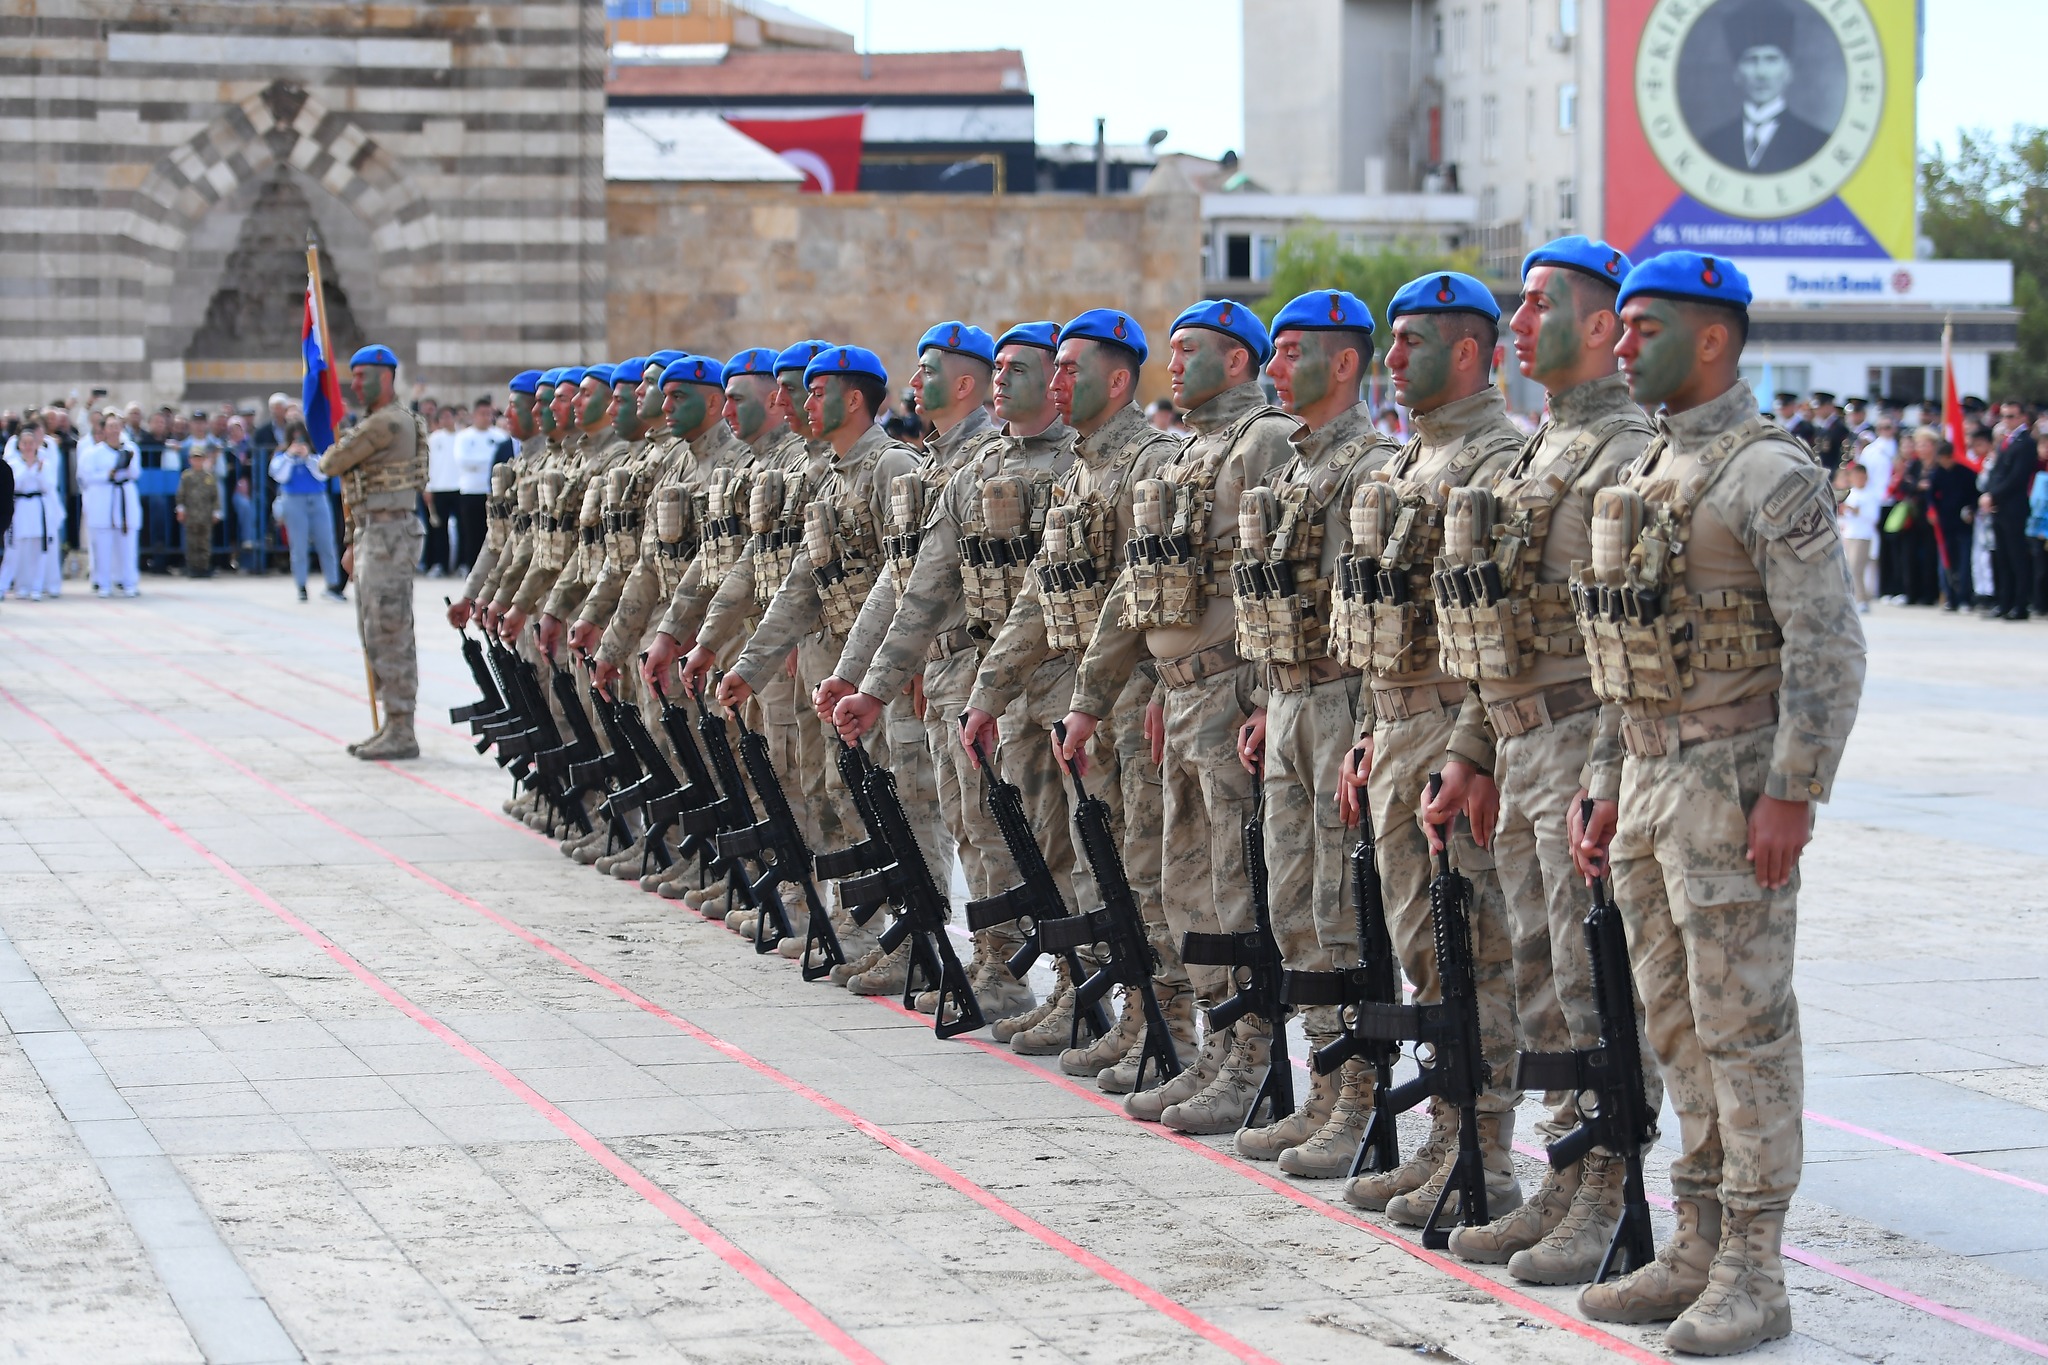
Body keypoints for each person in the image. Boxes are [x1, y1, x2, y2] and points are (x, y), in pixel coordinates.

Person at [1574, 251, 1865, 1354]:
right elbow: (1620, 649)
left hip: (1732, 786)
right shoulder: (1652, 462)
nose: (1620, 344)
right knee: (1672, 1022)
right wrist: (1606, 781)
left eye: (1642, 327)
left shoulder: (1768, 473)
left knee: (1742, 1024)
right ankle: (1694, 1241)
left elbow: (1827, 646)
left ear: (1710, 339)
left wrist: (1792, 791)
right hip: (1649, 782)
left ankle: (1754, 1266)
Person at [1415, 239, 1667, 1279]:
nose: (1517, 325)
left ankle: (1606, 1187)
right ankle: (1562, 1172)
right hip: (1518, 743)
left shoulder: (1626, 454)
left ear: (1600, 325)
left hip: (1579, 741)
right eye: (1515, 308)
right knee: (1538, 975)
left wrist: (1604, 775)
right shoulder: (1536, 452)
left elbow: (1627, 639)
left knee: (1593, 976)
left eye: (1535, 306)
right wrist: (1470, 749)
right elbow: (1496, 627)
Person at [1060, 298, 1299, 1136]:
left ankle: (1251, 1057)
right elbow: (1142, 589)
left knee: (1237, 888)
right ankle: (1216, 1043)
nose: (1174, 364)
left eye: (1189, 349)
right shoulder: (1190, 453)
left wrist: (1265, 697)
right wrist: (1098, 697)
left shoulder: (1265, 441)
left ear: (1236, 360)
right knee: (1185, 884)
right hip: (1183, 694)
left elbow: (1283, 580)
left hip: (1232, 695)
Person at [1331, 272, 1527, 1226]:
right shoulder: (1411, 462)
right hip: (1398, 725)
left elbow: (1502, 626)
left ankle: (1486, 1147)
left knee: (1472, 946)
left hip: (1454, 728)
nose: (1393, 356)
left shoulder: (1498, 459)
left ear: (1468, 351)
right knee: (1425, 948)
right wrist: (1367, 732)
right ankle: (1447, 1131)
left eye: (1411, 340)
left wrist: (1473, 752)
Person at [968, 309, 1186, 1088]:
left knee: (1145, 869)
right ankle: (1104, 998)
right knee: (1097, 861)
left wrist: (1142, 691)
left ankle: (1165, 1023)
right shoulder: (1081, 471)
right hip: (1085, 701)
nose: (1057, 380)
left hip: (1131, 700)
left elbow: (1153, 597)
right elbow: (1039, 594)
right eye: (1053, 367)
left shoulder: (1151, 463)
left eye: (1071, 368)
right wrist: (989, 690)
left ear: (1119, 380)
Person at [1225, 289, 1399, 1174]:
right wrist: (1264, 697)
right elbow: (1274, 602)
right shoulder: (1294, 471)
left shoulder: (1372, 470)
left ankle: (1358, 1094)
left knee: (1341, 907)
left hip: (1339, 705)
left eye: (1293, 352)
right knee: (1292, 904)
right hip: (1289, 702)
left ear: (1344, 362)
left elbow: (1379, 619)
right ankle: (1324, 1085)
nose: (1275, 367)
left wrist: (1368, 732)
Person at [814, 321, 1028, 1010]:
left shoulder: (985, 463)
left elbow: (936, 590)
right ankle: (942, 949)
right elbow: (898, 582)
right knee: (961, 822)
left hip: (975, 665)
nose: (913, 384)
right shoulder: (933, 467)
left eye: (928, 371)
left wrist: (874, 683)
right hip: (935, 669)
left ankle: (1002, 970)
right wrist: (857, 673)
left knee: (985, 825)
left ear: (963, 383)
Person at [319, 343, 428, 760]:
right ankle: (391, 723)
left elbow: (331, 464)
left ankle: (402, 728)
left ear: (385, 378)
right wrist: (352, 540)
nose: (354, 385)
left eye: (361, 377)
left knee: (389, 630)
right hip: (373, 532)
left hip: (389, 535)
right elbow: (356, 489)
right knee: (374, 631)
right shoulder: (379, 421)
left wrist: (342, 440)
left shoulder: (389, 422)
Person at [1700, 1, 1829, 174]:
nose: (1761, 73)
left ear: (1788, 71)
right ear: (1736, 72)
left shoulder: (1816, 143)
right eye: (1751, 60)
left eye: (1771, 59)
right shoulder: (1712, 144)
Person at [269, 423, 344, 602]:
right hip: (293, 500)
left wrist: (308, 457)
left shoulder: (316, 453)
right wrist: (290, 456)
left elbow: (323, 474)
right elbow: (280, 476)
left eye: (301, 437)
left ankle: (333, 584)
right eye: (294, 438)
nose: (298, 441)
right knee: (299, 545)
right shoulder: (281, 455)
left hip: (318, 499)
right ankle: (301, 585)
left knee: (326, 543)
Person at [1982, 401, 2038, 620]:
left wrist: (1994, 495)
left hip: (2013, 507)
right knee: (2002, 557)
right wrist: (1989, 493)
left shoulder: (2026, 443)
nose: (2006, 420)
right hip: (1999, 506)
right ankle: (2004, 602)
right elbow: (1996, 472)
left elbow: (2017, 477)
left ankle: (2019, 604)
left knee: (2016, 557)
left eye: (2011, 416)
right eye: (2004, 416)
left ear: (2023, 417)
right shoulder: (2006, 441)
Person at [80, 411, 142, 597]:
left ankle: (129, 581)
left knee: (127, 545)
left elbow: (135, 473)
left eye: (117, 426)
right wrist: (107, 474)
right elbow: (86, 476)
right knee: (103, 546)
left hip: (125, 498)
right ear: (104, 429)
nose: (114, 430)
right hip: (103, 499)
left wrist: (125, 467)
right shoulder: (94, 452)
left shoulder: (130, 448)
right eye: (110, 426)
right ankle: (103, 583)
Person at [1, 420, 65, 600]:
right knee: (15, 550)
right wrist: (29, 468)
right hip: (20, 508)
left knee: (38, 550)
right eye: (25, 443)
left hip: (38, 508)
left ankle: (36, 586)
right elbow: (15, 485)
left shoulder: (45, 463)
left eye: (31, 443)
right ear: (19, 445)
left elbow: (48, 485)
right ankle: (13, 586)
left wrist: (37, 469)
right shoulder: (13, 463)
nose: (28, 447)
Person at [1925, 434, 1980, 611]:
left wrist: (1971, 510)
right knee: (1946, 561)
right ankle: (1949, 596)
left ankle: (1965, 597)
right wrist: (1932, 511)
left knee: (1964, 562)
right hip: (1944, 523)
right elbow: (1931, 496)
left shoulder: (1966, 473)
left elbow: (1974, 495)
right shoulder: (1937, 473)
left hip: (1963, 523)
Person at [452, 397, 500, 574]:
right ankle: (471, 569)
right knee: (471, 534)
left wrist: (482, 463)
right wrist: (487, 462)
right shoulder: (464, 437)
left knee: (493, 535)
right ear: (474, 415)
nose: (486, 417)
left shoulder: (499, 436)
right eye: (482, 414)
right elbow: (463, 461)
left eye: (489, 414)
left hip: (492, 492)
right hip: (470, 490)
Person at [422, 405, 460, 578]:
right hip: (439, 488)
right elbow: (429, 464)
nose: (446, 420)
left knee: (462, 529)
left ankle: (461, 564)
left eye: (449, 416)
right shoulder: (434, 438)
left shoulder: (462, 437)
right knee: (439, 529)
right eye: (442, 417)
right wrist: (428, 488)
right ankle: (440, 564)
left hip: (459, 488)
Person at [1836, 462, 1878, 612]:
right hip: (1850, 534)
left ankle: (1862, 599)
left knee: (1856, 568)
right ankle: (1851, 598)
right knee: (1847, 567)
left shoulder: (1871, 494)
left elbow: (1873, 517)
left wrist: (1856, 511)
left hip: (1863, 535)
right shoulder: (1850, 494)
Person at [176, 441, 220, 577]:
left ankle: (204, 567)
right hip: (191, 515)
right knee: (191, 542)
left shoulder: (209, 477)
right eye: (195, 458)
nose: (197, 461)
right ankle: (192, 567)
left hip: (205, 515)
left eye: (200, 458)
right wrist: (180, 509)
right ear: (190, 460)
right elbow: (181, 494)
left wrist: (216, 512)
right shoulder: (186, 476)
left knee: (204, 542)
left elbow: (215, 496)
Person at [1807, 392, 1850, 474]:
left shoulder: (1840, 428)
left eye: (1820, 407)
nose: (1817, 411)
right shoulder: (1820, 428)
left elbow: (1842, 455)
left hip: (1832, 474)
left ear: (1829, 406)